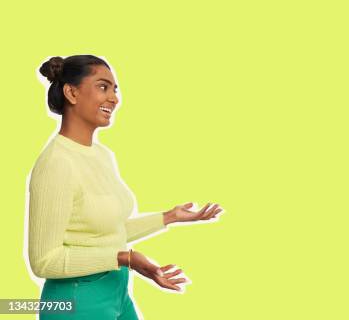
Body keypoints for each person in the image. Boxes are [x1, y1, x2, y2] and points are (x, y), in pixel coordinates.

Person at [27, 55, 224, 319]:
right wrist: (124, 258)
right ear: (72, 92)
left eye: (115, 89)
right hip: (75, 301)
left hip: (117, 293)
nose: (114, 98)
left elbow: (105, 233)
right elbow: (44, 262)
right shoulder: (56, 164)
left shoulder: (102, 155)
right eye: (103, 87)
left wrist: (169, 217)